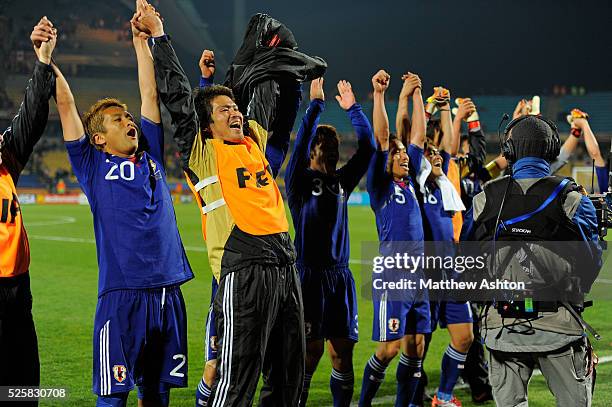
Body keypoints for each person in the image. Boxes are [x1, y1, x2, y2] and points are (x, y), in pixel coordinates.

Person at [146, 6, 325, 406]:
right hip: (242, 268)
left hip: (284, 264)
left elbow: (268, 98)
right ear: (206, 125)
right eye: (224, 110)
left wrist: (284, 73)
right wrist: (160, 36)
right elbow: (177, 95)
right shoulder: (202, 152)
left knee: (289, 376)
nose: (236, 113)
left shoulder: (254, 143)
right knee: (236, 379)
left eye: (235, 107)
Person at [53, 2, 193, 405]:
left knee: (158, 393)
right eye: (117, 119)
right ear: (99, 137)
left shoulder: (149, 152)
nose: (128, 120)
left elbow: (149, 93)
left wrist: (139, 42)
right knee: (114, 396)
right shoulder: (92, 165)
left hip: (168, 290)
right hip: (121, 295)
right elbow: (65, 106)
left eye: (128, 116)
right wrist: (49, 63)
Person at [467, 114, 602, 406]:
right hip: (560, 326)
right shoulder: (573, 199)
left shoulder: (483, 198)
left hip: (500, 326)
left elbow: (469, 260)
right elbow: (591, 264)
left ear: (509, 151)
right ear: (552, 149)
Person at [193, 48, 302, 407]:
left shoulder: (259, 149)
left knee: (282, 368)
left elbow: (270, 115)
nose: (236, 113)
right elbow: (203, 126)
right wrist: (206, 83)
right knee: (226, 367)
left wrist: (292, 84)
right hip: (235, 271)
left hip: (276, 264)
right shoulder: (214, 150)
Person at [285, 76, 375, 407]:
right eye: (324, 145)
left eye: (334, 146)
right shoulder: (297, 181)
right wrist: (316, 105)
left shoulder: (341, 182)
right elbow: (299, 144)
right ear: (313, 149)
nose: (330, 150)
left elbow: (368, 148)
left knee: (342, 354)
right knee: (310, 354)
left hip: (339, 277)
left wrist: (353, 109)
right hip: (306, 275)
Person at [359, 71, 431, 407]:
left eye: (404, 154)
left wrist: (417, 93)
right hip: (393, 274)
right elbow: (383, 135)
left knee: (416, 347)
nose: (403, 156)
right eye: (396, 154)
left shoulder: (410, 182)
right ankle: (363, 403)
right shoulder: (380, 186)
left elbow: (418, 136)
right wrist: (378, 94)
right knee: (389, 348)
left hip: (418, 274)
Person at [0, 17, 56, 398]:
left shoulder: (6, 160)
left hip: (17, 290)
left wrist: (43, 61)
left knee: (22, 387)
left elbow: (32, 118)